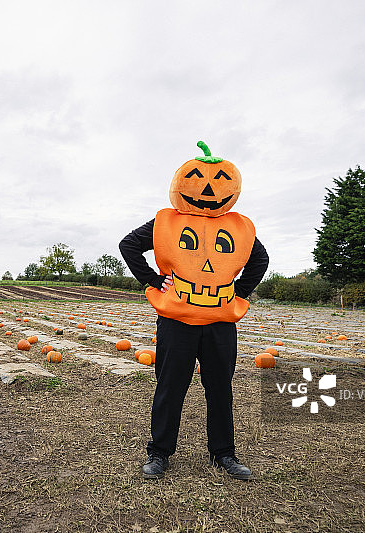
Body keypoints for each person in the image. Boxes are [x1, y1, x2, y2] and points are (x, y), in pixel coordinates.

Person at [119, 141, 268, 480]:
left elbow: (260, 259)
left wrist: (240, 291)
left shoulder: (240, 226)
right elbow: (128, 245)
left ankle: (224, 454)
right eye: (198, 179)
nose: (208, 189)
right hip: (176, 320)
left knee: (220, 388)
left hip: (219, 323)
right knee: (170, 386)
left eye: (218, 181)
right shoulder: (168, 221)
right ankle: (159, 453)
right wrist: (153, 281)